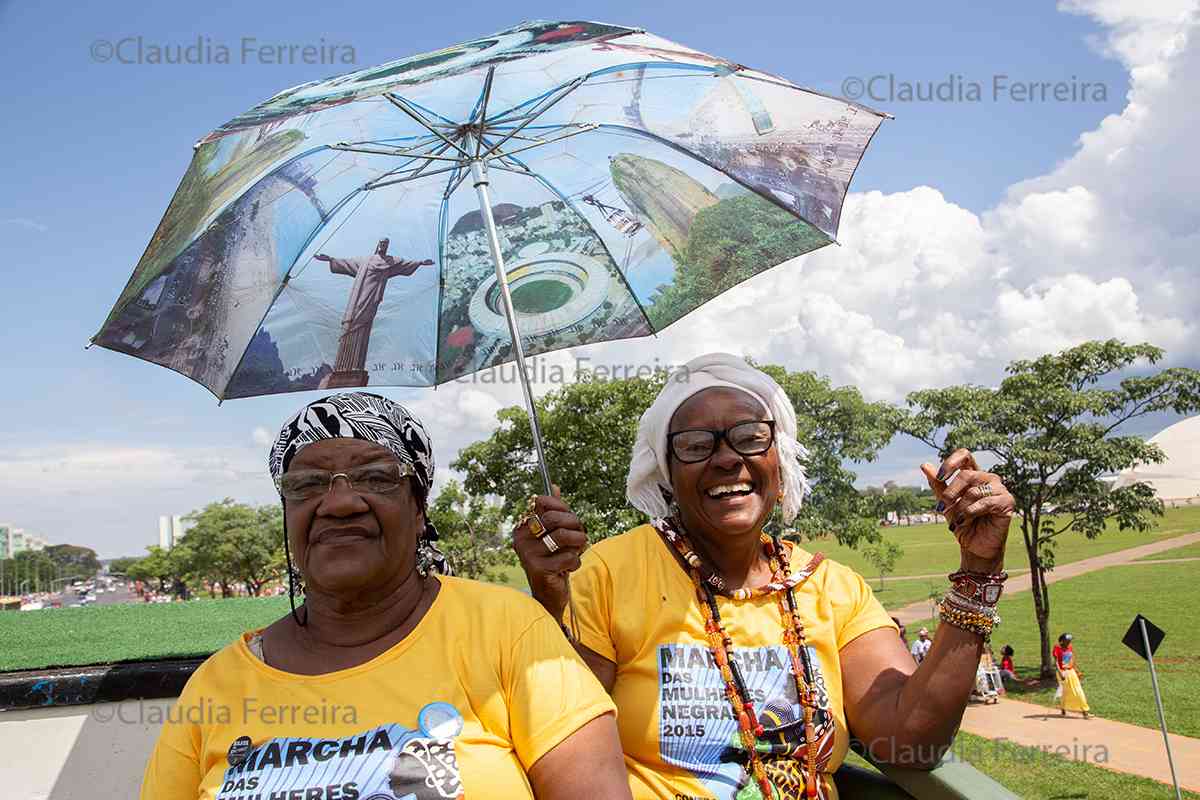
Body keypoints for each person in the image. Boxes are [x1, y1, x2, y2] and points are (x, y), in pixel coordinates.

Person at [514, 353, 1017, 799]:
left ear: (779, 464)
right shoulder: (604, 574)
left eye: (750, 438)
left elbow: (910, 741)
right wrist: (550, 611)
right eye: (694, 445)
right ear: (667, 476)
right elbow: (567, 750)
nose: (728, 458)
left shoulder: (832, 588)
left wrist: (978, 570)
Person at [140, 392, 632, 800]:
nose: (339, 502)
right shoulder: (215, 688)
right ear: (287, 515)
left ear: (418, 511)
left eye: (375, 477)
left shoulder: (508, 629)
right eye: (307, 484)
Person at [1053, 633, 1091, 719]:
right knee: (1065, 691)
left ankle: (1085, 711)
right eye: (1067, 641)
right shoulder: (1057, 648)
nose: (1069, 642)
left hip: (1071, 671)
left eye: (1070, 640)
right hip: (1062, 672)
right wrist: (1060, 673)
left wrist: (1077, 671)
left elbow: (1071, 660)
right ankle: (1063, 708)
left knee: (1078, 690)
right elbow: (1056, 663)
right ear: (1062, 641)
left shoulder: (1070, 647)